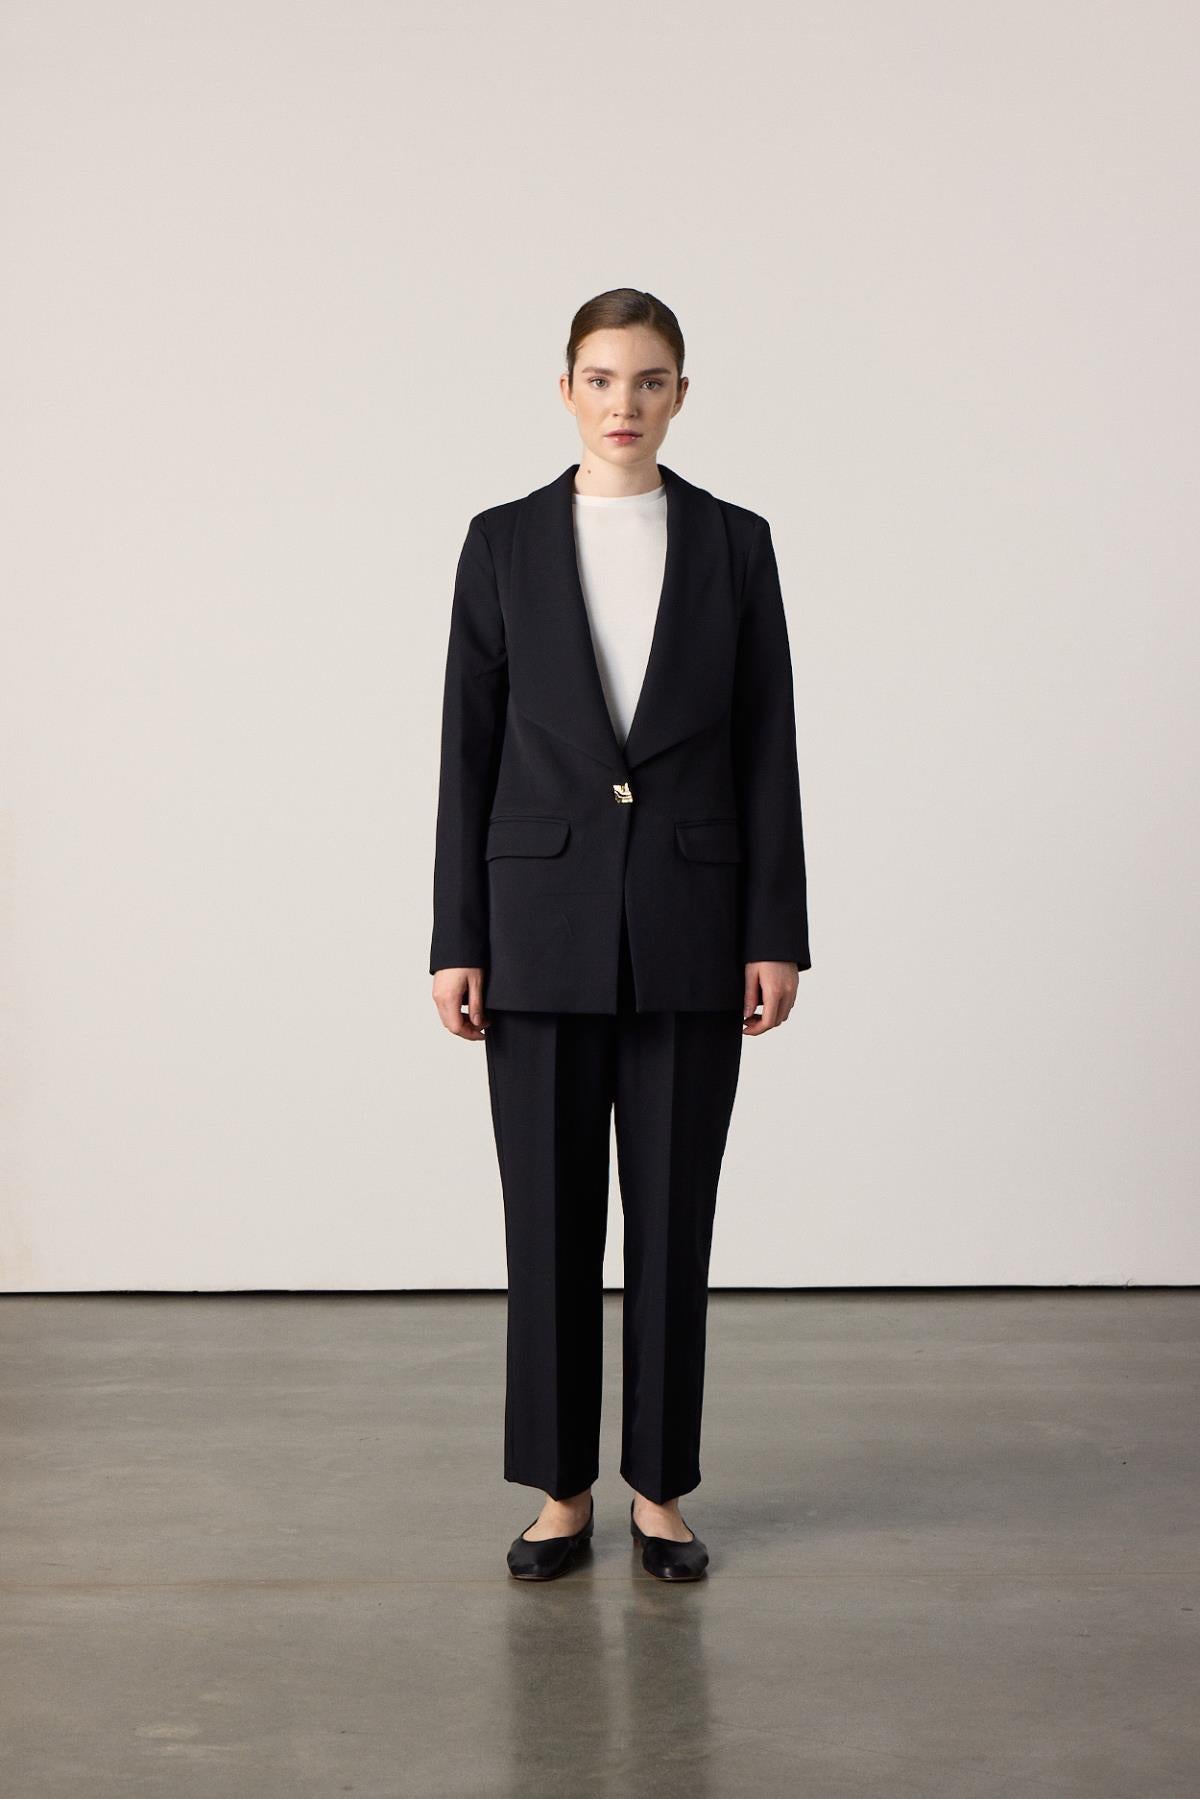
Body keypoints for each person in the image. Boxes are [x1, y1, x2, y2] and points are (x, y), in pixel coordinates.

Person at [429, 287, 811, 1581]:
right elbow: (467, 750)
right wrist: (456, 937)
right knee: (544, 1227)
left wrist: (776, 932)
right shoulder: (501, 544)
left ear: (681, 395)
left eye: (649, 381)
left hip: (693, 926)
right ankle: (560, 1491)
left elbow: (767, 746)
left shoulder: (736, 544)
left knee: (671, 1224)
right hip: (535, 926)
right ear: (566, 391)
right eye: (601, 379)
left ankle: (660, 1490)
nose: (624, 404)